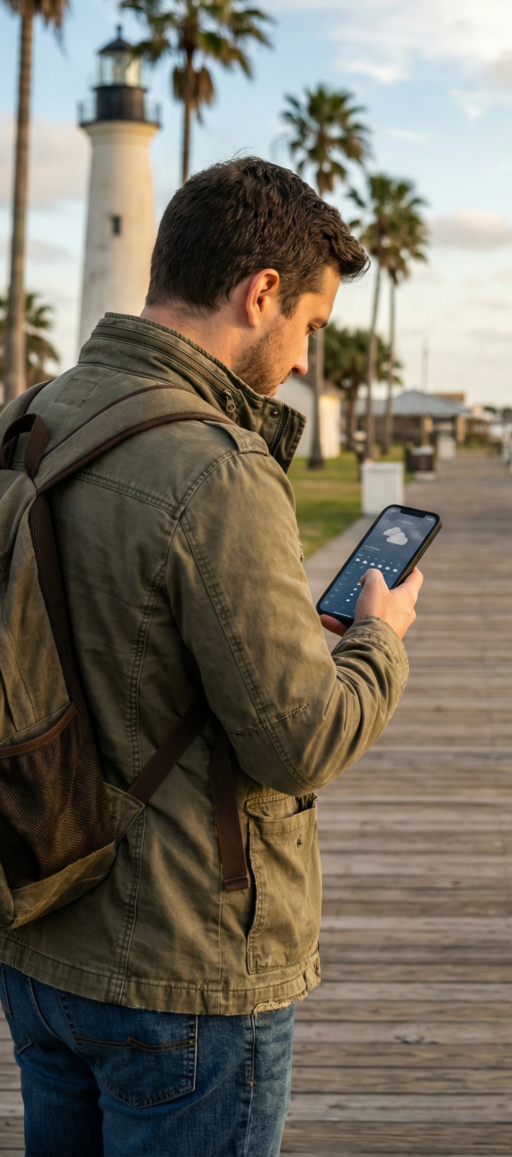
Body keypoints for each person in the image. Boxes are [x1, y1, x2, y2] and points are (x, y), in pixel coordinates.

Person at [0, 158, 423, 1156]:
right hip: (182, 969)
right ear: (260, 292)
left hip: (39, 934)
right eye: (309, 328)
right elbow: (300, 741)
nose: (303, 356)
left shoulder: (28, 419)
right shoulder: (215, 467)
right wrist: (377, 641)